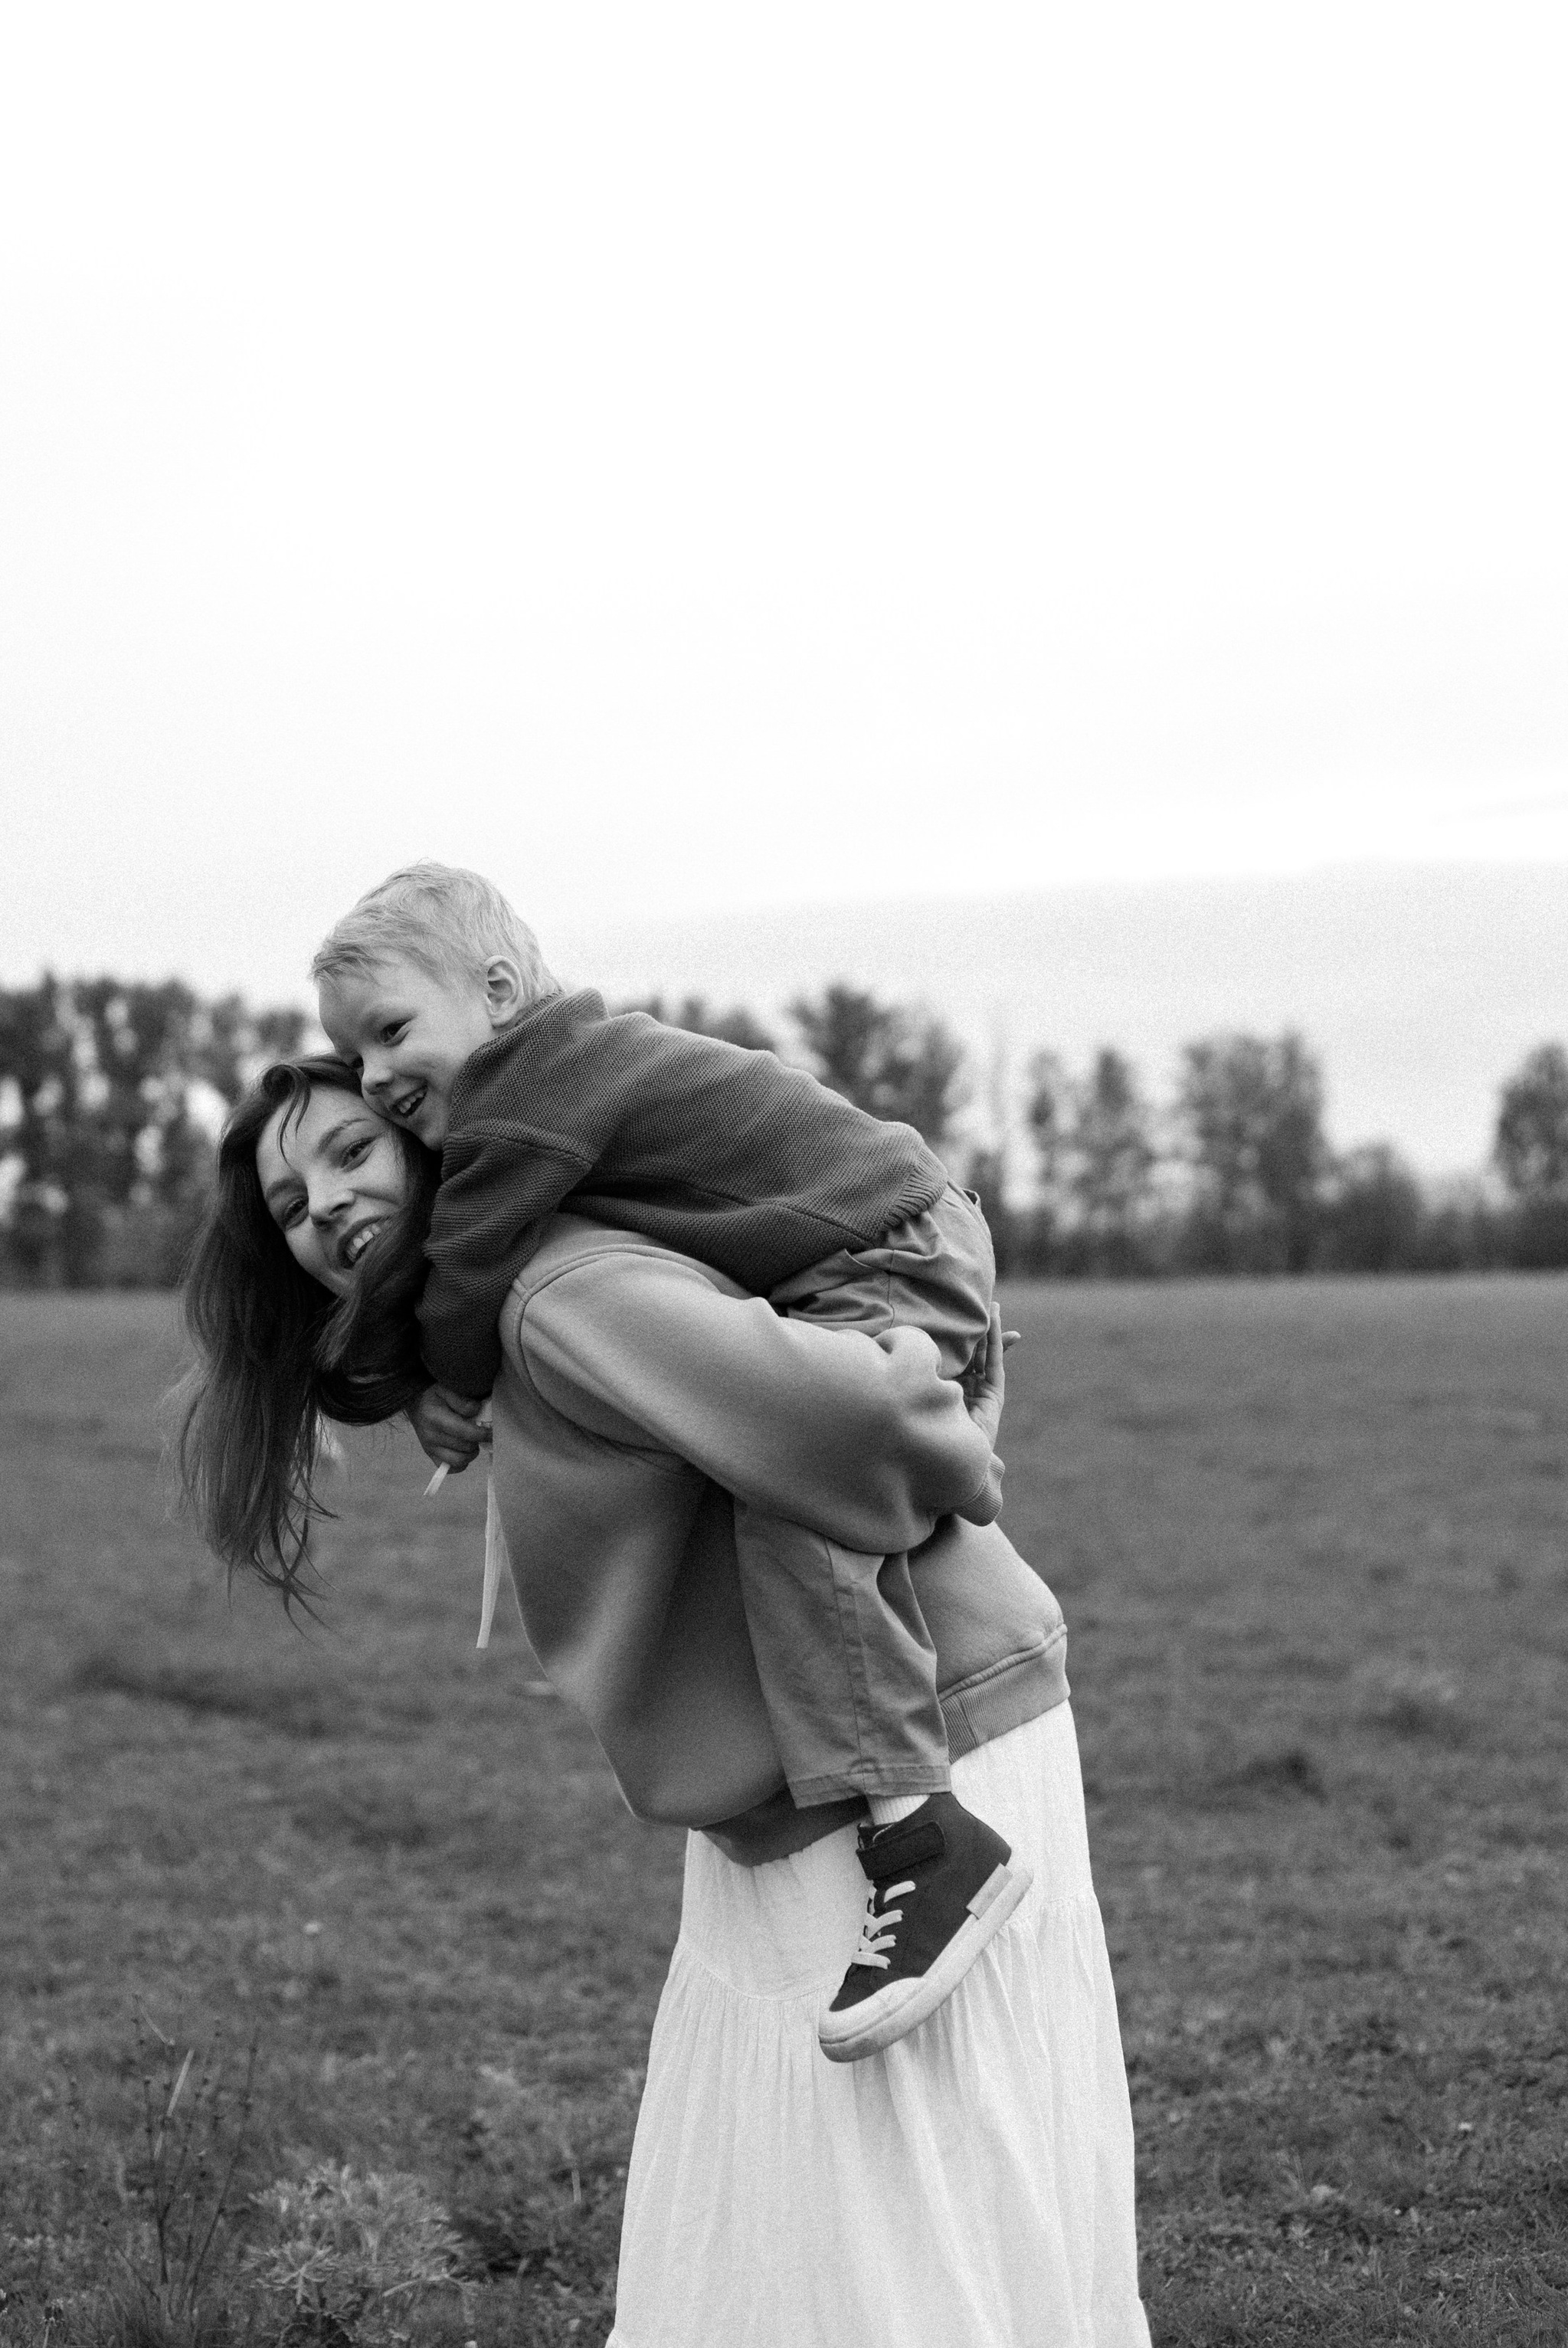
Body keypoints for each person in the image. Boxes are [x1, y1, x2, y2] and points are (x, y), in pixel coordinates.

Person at [176, 1059, 1150, 2348]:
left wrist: (963, 1432)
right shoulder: (512, 1307)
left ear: (434, 1140)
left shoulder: (557, 1291)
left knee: (894, 2194)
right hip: (814, 1770)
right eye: (293, 1205)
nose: (328, 1206)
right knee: (884, 2188)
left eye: (354, 1151)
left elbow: (858, 1417)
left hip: (916, 1753)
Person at [312, 860, 1021, 2061]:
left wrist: (413, 1378)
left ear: (495, 991)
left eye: (389, 1033)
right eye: (355, 1054)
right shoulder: (565, 1071)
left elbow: (468, 1265)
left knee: (791, 1479)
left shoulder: (531, 1090)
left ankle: (922, 1830)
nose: (377, 1078)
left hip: (883, 1244)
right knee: (787, 1457)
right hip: (889, 1227)